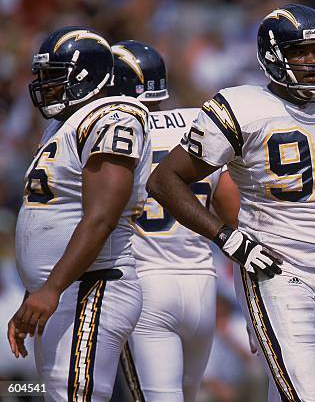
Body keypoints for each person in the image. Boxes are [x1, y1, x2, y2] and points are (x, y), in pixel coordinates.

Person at [146, 3, 315, 402]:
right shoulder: (242, 108)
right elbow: (165, 180)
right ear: (272, 58)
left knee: (295, 392)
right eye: (299, 52)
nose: (312, 62)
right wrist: (226, 238)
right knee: (307, 394)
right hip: (274, 269)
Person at [7, 26, 151, 401]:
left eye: (56, 77)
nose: (47, 87)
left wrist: (51, 288)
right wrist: (39, 290)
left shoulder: (113, 115)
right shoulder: (65, 124)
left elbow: (101, 216)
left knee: (76, 395)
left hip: (92, 285)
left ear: (89, 76)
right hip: (66, 288)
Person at [108, 40, 240, 401]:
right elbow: (234, 213)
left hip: (144, 286)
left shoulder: (108, 133)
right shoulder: (196, 121)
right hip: (201, 286)